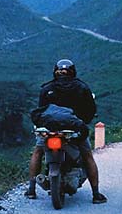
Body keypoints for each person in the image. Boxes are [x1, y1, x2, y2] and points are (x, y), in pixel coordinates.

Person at [25, 59, 107, 204]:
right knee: (87, 155)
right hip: (74, 129)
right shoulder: (82, 88)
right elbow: (90, 111)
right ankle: (96, 194)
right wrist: (82, 124)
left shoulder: (47, 88)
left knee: (38, 151)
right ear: (73, 72)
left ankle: (31, 189)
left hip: (49, 130)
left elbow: (41, 111)